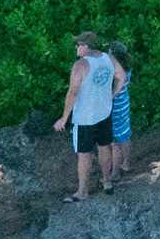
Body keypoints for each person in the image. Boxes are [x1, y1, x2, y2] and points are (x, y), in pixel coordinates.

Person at [52, 32, 125, 200]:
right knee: (104, 147)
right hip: (104, 113)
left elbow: (73, 93)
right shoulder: (108, 58)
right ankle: (107, 181)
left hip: (85, 118)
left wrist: (64, 118)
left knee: (84, 155)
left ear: (85, 46)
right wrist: (111, 95)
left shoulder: (81, 65)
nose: (76, 48)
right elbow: (120, 77)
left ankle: (82, 192)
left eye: (78, 45)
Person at [105, 38, 136, 180]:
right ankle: (127, 164)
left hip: (114, 110)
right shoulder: (127, 67)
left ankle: (115, 174)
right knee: (125, 136)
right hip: (123, 106)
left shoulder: (113, 72)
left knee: (114, 144)